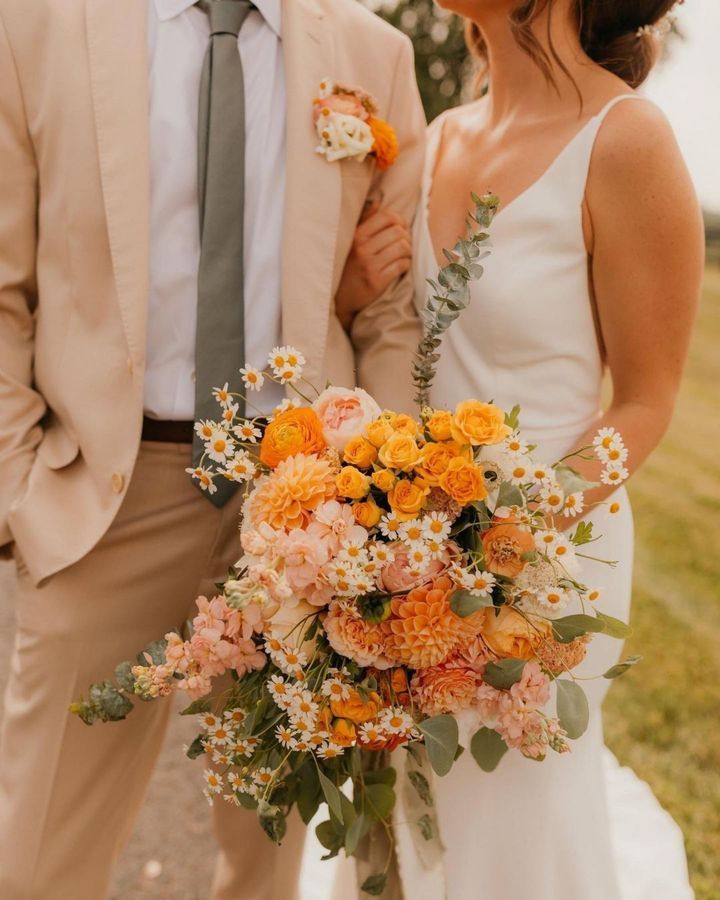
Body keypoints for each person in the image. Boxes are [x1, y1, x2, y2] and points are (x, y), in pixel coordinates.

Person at [0, 0, 425, 897]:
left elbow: (394, 314)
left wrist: (376, 512)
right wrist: (17, 491)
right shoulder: (33, 26)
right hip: (104, 501)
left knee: (267, 862)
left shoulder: (372, 54)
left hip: (307, 509)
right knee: (38, 863)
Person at [334, 1, 703, 897]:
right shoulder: (439, 135)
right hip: (407, 555)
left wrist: (497, 537)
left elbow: (646, 405)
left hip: (544, 565)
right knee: (404, 804)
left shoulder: (627, 140)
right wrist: (350, 295)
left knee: (513, 819)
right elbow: (403, 342)